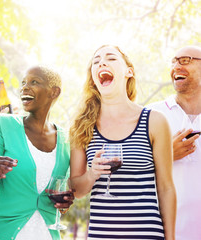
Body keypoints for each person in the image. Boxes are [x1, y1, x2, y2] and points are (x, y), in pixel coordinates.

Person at [69, 45, 176, 239]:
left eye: (111, 58)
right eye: (96, 61)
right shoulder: (81, 126)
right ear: (93, 77)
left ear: (129, 71)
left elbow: (166, 188)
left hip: (147, 235)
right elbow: (76, 190)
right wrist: (92, 173)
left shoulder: (154, 121)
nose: (102, 62)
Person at [0, 66, 73, 240]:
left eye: (34, 82)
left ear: (54, 92)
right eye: (23, 83)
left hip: (47, 234)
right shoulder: (2, 124)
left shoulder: (66, 139)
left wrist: (65, 201)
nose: (24, 87)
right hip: (2, 234)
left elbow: (62, 188)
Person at [147, 45, 201, 239]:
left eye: (185, 60)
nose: (177, 66)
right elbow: (128, 171)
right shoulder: (150, 114)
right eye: (174, 61)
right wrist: (165, 156)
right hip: (162, 232)